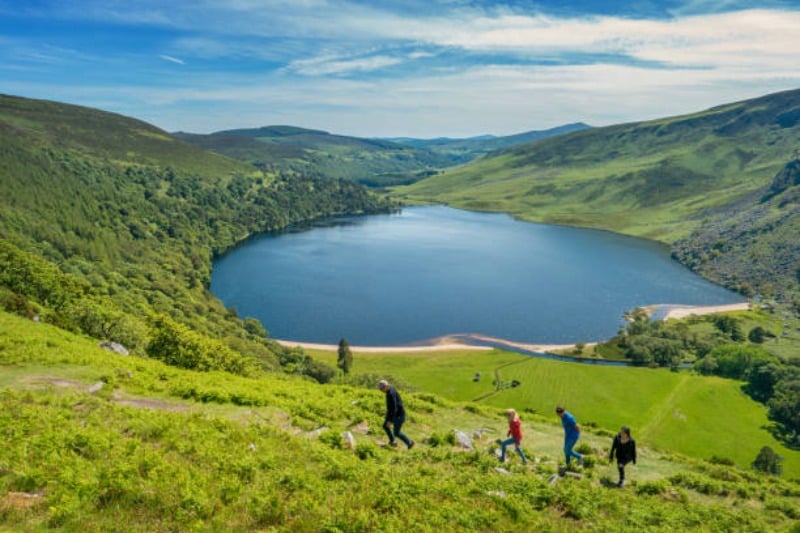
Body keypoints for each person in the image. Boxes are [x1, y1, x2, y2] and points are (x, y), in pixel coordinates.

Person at [378, 379, 414, 449]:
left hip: (399, 416)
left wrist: (390, 420)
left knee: (396, 432)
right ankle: (393, 442)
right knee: (385, 426)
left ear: (386, 386)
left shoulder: (391, 394)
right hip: (396, 414)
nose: (381, 391)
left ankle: (409, 442)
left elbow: (394, 408)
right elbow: (392, 407)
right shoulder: (390, 389)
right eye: (380, 389)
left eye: (382, 389)